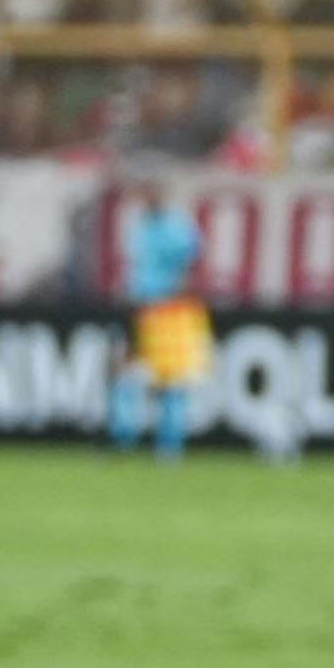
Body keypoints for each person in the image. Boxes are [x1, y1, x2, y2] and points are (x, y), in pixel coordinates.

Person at [110, 181, 207, 460]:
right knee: (123, 369)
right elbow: (135, 267)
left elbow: (191, 263)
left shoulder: (177, 226)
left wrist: (179, 292)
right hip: (138, 305)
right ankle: (123, 435)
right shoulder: (140, 226)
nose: (147, 197)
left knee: (171, 377)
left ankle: (170, 444)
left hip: (167, 308)